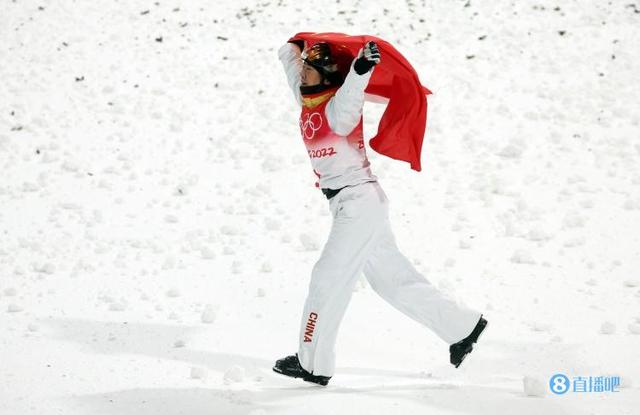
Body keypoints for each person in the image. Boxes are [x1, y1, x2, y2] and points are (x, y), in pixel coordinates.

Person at [273, 39, 488, 386]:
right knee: (392, 281)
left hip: (358, 206)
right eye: (304, 70)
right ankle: (463, 327)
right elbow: (290, 64)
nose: (302, 75)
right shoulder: (306, 97)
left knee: (326, 279)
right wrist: (295, 45)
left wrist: (360, 69)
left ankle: (313, 363)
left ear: (327, 78)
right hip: (356, 204)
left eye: (309, 70)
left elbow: (352, 93)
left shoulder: (338, 112)